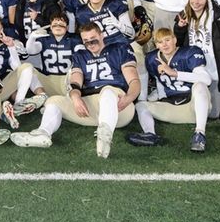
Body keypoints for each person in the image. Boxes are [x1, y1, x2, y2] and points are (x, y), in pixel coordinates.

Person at [10, 23, 140, 158]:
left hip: (119, 105)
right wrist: (76, 98)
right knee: (53, 101)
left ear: (102, 35)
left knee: (107, 91)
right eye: (86, 41)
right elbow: (75, 83)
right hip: (92, 106)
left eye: (93, 38)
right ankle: (42, 133)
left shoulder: (119, 49)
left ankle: (105, 136)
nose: (90, 43)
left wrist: (129, 98)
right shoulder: (80, 55)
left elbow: (134, 81)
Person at [127, 28, 212, 152]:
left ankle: (199, 134)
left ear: (175, 40)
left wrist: (174, 73)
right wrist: (151, 98)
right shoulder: (152, 58)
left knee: (200, 86)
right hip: (172, 107)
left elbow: (206, 79)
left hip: (193, 107)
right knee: (141, 106)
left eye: (167, 40)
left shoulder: (190, 53)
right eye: (160, 42)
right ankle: (150, 134)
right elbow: (159, 82)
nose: (164, 44)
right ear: (156, 45)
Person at [174, 0, 220, 118]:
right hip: (196, 69)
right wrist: (180, 28)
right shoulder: (184, 15)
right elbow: (178, 44)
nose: (196, 2)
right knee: (197, 110)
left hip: (215, 69)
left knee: (214, 114)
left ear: (207, 0)